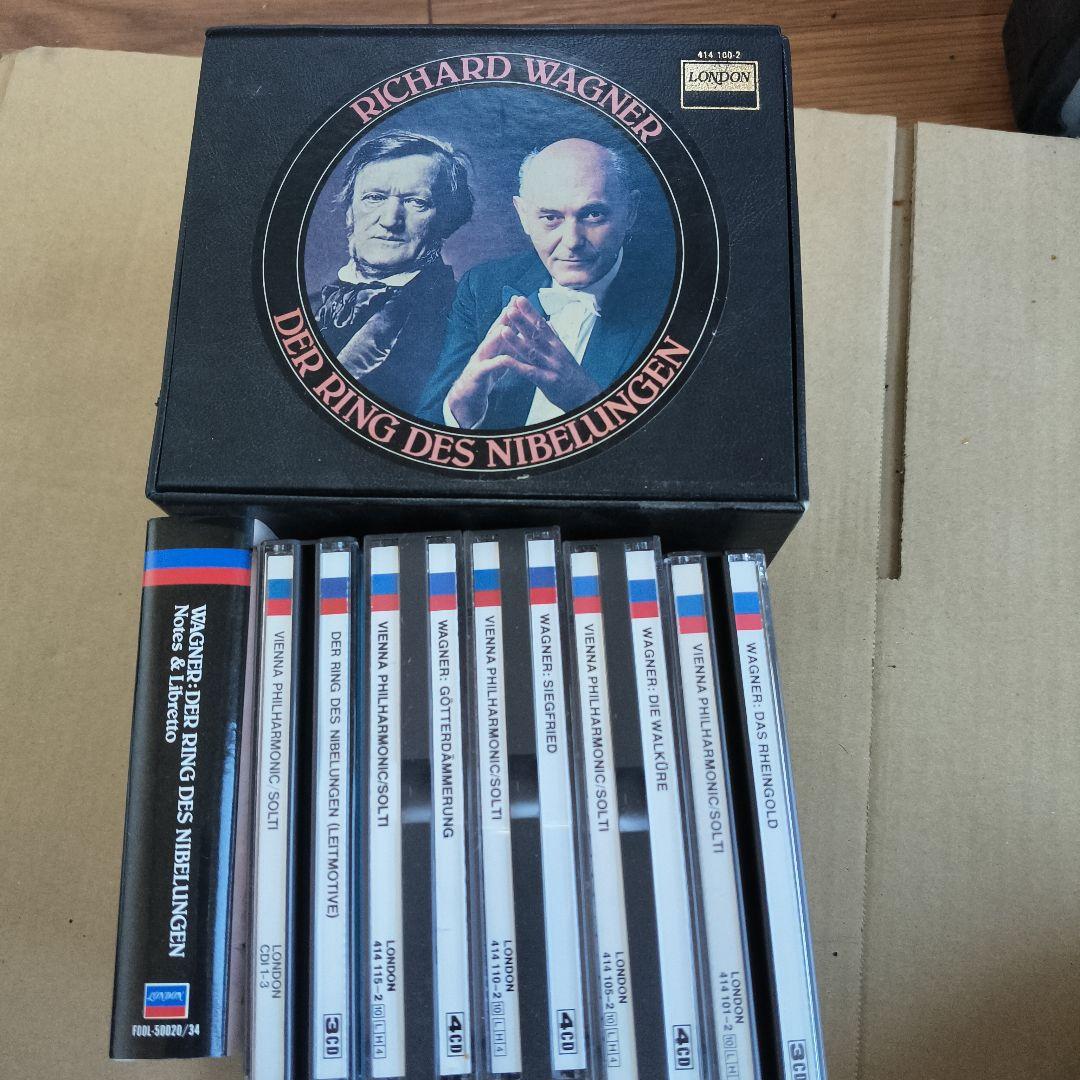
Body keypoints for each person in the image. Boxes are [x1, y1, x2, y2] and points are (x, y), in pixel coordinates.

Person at [417, 137, 673, 430]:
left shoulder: (676, 305)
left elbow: (671, 445)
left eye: (593, 214)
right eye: (551, 217)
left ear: (630, 212)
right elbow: (425, 428)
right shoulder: (482, 285)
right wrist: (461, 407)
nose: (572, 241)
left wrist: (585, 399)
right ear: (524, 216)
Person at [310, 132, 473, 414]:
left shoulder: (465, 319)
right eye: (374, 198)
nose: (389, 220)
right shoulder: (308, 305)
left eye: (416, 202)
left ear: (447, 220)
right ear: (349, 211)